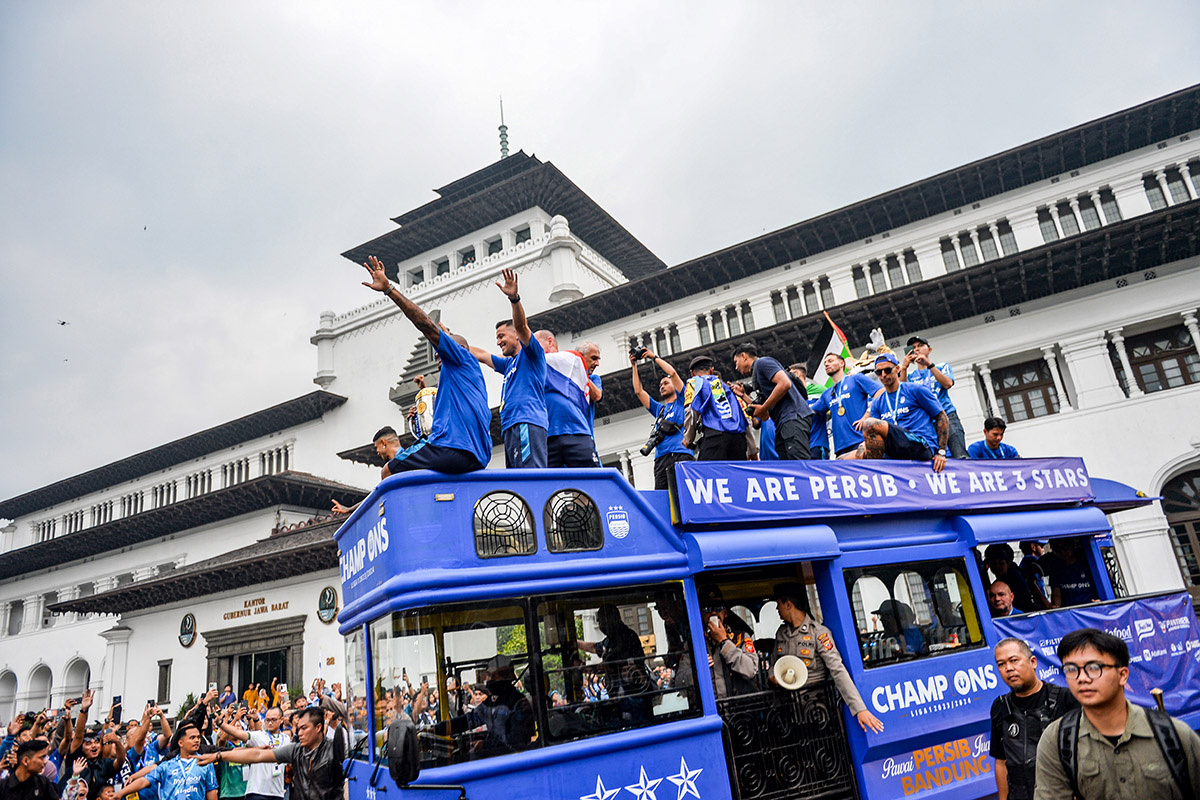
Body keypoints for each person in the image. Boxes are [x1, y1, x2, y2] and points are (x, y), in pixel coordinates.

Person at [360, 255, 492, 474]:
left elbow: (426, 325)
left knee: (387, 471)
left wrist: (389, 290)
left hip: (452, 446)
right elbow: (451, 410)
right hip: (477, 456)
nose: (438, 354)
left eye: (442, 349)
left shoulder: (460, 357)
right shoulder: (468, 377)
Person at [1034, 628, 1200, 800]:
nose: (1082, 678)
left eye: (1094, 667)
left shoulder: (1172, 735)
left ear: (1122, 675)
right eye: (1071, 669)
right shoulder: (1058, 740)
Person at [769, 583, 884, 734]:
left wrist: (859, 709)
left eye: (779, 604)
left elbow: (837, 670)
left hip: (816, 714)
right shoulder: (781, 633)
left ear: (788, 604)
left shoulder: (819, 633)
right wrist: (772, 676)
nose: (777, 609)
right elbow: (774, 664)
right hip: (790, 716)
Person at [466, 268, 548, 468]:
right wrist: (448, 341)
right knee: (516, 480)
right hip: (510, 427)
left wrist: (514, 299)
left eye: (501, 336)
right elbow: (482, 355)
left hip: (527, 421)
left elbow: (522, 327)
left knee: (530, 476)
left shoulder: (532, 355)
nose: (498, 342)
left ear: (516, 336)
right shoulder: (509, 364)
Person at [989, 638, 1078, 800]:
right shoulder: (1000, 707)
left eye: (1014, 660)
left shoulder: (1066, 699)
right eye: (1001, 664)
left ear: (1033, 662)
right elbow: (1001, 762)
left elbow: (1083, 756)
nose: (1009, 668)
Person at [197, 708, 343, 800]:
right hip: (257, 792)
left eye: (304, 728)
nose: (299, 733)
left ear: (318, 727)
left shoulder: (333, 750)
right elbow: (257, 756)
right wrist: (218, 755)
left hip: (277, 792)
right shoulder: (294, 749)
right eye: (299, 729)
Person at [412, 655, 535, 758]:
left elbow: (518, 740)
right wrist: (435, 729)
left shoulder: (518, 704)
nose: (488, 680)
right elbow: (467, 721)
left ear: (504, 678)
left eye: (492, 676)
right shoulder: (492, 702)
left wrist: (485, 745)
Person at [860, 353, 949, 471]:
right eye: (879, 372)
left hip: (919, 444)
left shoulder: (915, 390)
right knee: (852, 454)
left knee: (870, 423)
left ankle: (876, 472)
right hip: (896, 448)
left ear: (897, 369)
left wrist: (941, 452)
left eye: (887, 370)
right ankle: (878, 473)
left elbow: (942, 417)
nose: (883, 375)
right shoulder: (877, 402)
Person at [732, 342, 812, 459]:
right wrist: (743, 395)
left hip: (793, 417)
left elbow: (785, 383)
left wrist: (764, 407)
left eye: (736, 362)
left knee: (800, 461)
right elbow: (764, 415)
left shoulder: (763, 363)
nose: (736, 367)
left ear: (744, 356)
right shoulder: (758, 375)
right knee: (788, 464)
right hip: (782, 423)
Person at [533, 330, 601, 468]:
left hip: (578, 432)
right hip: (548, 436)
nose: (597, 363)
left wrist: (577, 371)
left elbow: (597, 395)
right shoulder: (539, 371)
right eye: (593, 358)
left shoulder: (592, 378)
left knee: (589, 477)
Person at [628, 350, 692, 489]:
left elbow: (673, 373)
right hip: (661, 459)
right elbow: (639, 391)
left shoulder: (683, 400)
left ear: (675, 385)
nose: (662, 386)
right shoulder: (659, 409)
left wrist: (654, 357)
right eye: (660, 385)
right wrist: (634, 366)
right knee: (662, 497)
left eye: (666, 383)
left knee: (684, 493)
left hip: (680, 454)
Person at [901, 336, 967, 458]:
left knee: (959, 454)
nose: (917, 349)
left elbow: (948, 384)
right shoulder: (910, 375)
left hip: (947, 415)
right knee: (933, 458)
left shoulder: (942, 366)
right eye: (913, 347)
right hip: (926, 422)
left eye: (920, 346)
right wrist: (904, 368)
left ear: (929, 349)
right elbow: (902, 393)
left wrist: (929, 365)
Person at [807, 352, 882, 459]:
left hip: (861, 440)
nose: (827, 364)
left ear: (842, 363)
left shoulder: (856, 379)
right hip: (840, 448)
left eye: (830, 361)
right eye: (825, 363)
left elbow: (880, 391)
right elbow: (809, 411)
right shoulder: (827, 394)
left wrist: (867, 415)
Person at [114, 723, 216, 800]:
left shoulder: (205, 763)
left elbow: (211, 792)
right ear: (180, 743)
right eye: (192, 738)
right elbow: (144, 781)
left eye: (198, 737)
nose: (197, 740)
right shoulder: (168, 765)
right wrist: (120, 793)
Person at [682, 356, 749, 461]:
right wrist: (752, 449)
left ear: (692, 373)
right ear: (712, 371)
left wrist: (688, 439)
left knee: (704, 470)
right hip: (738, 439)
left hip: (715, 437)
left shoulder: (694, 382)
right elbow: (741, 415)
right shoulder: (725, 386)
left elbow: (691, 411)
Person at [215, 707, 289, 800]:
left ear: (281, 720)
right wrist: (220, 723)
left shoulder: (286, 739)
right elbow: (238, 733)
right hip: (257, 792)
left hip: (277, 792)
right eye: (267, 720)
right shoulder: (259, 736)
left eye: (273, 720)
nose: (270, 723)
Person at [698, 585, 758, 699]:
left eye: (718, 608)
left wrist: (724, 641)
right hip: (712, 706)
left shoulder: (740, 637)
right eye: (707, 609)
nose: (713, 613)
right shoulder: (695, 643)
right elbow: (681, 680)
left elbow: (750, 670)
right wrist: (698, 668)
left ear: (725, 613)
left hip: (740, 706)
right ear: (701, 614)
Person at [984, 543, 1046, 613]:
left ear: (1008, 563)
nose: (997, 567)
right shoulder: (1014, 573)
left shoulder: (1014, 578)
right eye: (993, 564)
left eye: (1001, 563)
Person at [1041, 537, 1099, 608]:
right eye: (1057, 550)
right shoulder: (1056, 567)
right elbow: (1056, 592)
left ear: (1072, 546)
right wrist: (1056, 607)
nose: (1062, 552)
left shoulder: (1089, 563)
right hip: (1070, 610)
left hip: (1091, 607)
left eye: (1065, 548)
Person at [1019, 541, 1050, 608]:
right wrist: (1046, 603)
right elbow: (1033, 583)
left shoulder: (1024, 561)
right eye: (1041, 546)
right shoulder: (1033, 561)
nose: (1043, 550)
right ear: (1033, 547)